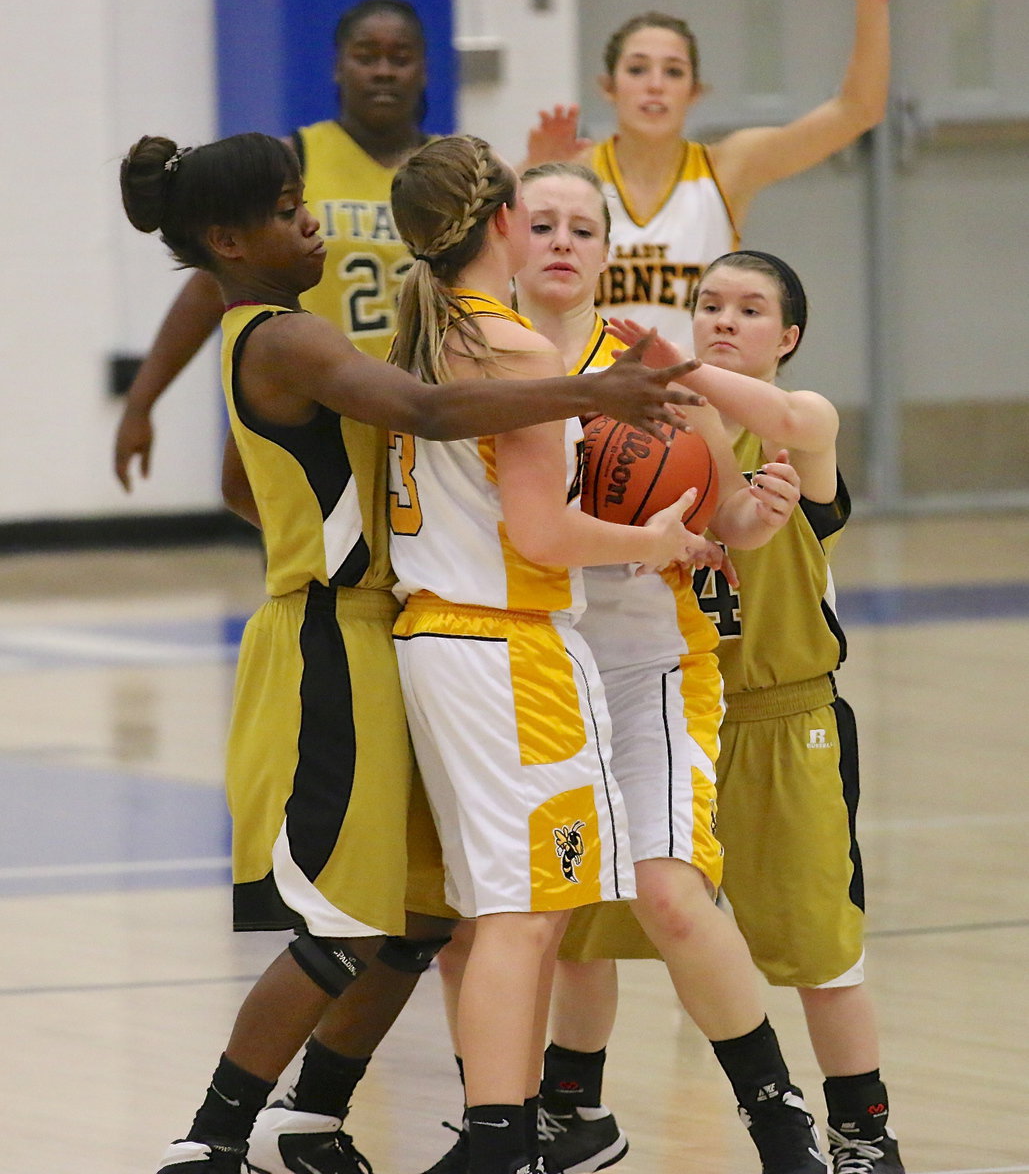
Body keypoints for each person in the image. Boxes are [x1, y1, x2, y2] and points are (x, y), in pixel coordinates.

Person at [118, 130, 701, 1174]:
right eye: (291, 210)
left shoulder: (299, 336)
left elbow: (239, 486)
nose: (311, 225)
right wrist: (590, 393)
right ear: (226, 237)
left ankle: (310, 1116)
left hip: (382, 631)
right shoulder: (283, 337)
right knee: (344, 925)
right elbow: (429, 412)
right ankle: (208, 1138)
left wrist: (330, 524)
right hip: (326, 645)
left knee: (421, 914)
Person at [417, 162, 836, 1174]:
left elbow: (723, 512)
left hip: (649, 661)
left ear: (609, 254)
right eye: (545, 223)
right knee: (520, 922)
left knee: (667, 893)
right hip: (527, 664)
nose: (563, 242)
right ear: (512, 237)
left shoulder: (652, 367)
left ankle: (783, 1125)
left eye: (584, 229)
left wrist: (753, 516)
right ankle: (525, 1128)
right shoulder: (464, 355)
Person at [542, 251, 905, 1174]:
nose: (724, 322)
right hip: (658, 699)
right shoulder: (651, 431)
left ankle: (863, 1138)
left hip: (782, 719)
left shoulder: (800, 425)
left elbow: (783, 416)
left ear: (786, 337)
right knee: (585, 931)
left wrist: (667, 360)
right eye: (709, 306)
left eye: (749, 310)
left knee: (818, 948)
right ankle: (571, 1109)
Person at [384, 135, 704, 1174]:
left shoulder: (425, 339)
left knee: (497, 918)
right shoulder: (516, 351)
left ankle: (504, 1136)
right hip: (509, 648)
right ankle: (496, 1143)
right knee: (529, 919)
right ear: (504, 227)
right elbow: (546, 536)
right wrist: (654, 544)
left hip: (437, 636)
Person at [114, 0, 433, 491]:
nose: (384, 72)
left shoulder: (450, 169)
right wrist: (141, 402)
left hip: (420, 414)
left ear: (425, 69)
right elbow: (206, 288)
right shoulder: (292, 159)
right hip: (319, 411)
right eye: (366, 56)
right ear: (337, 68)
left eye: (401, 57)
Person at [525, 0, 891, 354]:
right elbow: (494, 243)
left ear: (695, 91)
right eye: (637, 69)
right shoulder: (575, 176)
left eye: (673, 71)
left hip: (691, 399)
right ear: (608, 86)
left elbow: (857, 111)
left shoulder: (728, 168)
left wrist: (872, 4)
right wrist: (532, 166)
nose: (655, 85)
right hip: (591, 398)